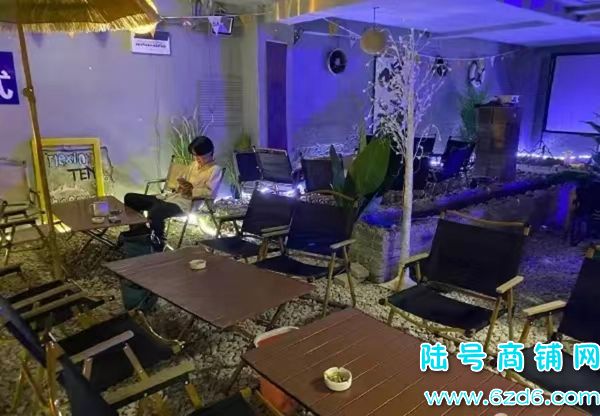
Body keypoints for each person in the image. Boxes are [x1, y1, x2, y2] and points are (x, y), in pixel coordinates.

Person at [124, 136, 223, 250]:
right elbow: (181, 181)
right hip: (171, 197)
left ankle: (158, 243)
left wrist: (192, 191)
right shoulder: (194, 165)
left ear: (209, 153)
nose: (196, 158)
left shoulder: (215, 170)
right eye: (195, 155)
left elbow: (210, 193)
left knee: (156, 211)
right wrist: (180, 185)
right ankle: (140, 233)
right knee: (130, 198)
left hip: (186, 204)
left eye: (199, 156)